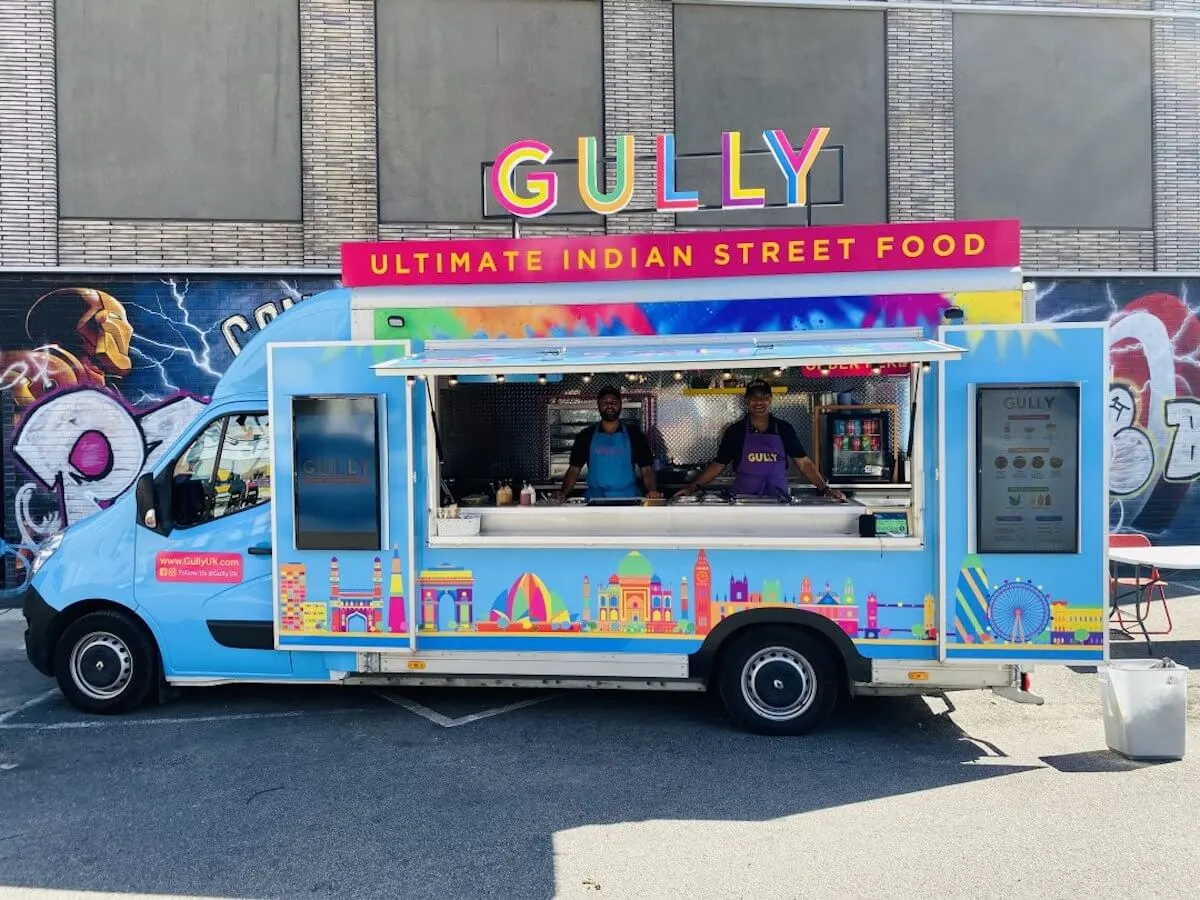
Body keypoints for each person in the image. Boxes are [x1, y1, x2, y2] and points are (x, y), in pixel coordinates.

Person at [676, 378, 846, 501]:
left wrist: (825, 489)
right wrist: (692, 487)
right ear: (746, 401)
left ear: (770, 399)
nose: (759, 402)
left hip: (778, 499)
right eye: (754, 398)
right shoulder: (735, 431)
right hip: (743, 500)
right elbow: (718, 465)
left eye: (764, 397)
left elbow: (804, 463)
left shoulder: (784, 428)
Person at [555, 385, 661, 501]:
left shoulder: (635, 435)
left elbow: (647, 469)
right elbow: (574, 469)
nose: (609, 405)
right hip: (595, 500)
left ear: (620, 405)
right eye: (605, 402)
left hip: (628, 499)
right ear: (598, 406)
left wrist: (652, 491)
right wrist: (563, 492)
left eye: (614, 402)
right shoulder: (585, 436)